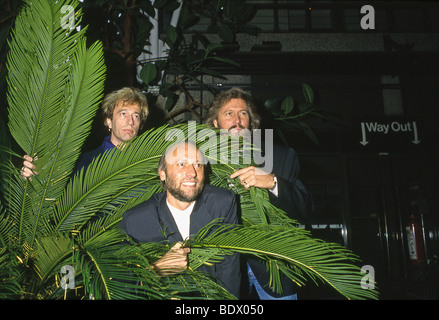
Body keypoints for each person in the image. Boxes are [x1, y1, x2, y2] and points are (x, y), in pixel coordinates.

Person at [205, 87, 313, 300]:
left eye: (243, 113)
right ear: (215, 123)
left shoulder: (281, 156)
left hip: (275, 271)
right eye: (228, 113)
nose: (237, 119)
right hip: (221, 269)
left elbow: (305, 207)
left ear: (250, 122)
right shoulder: (200, 162)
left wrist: (273, 182)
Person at [119, 141, 241, 298]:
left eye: (198, 165)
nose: (192, 173)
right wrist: (155, 271)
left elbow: (230, 269)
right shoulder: (136, 220)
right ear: (162, 173)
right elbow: (117, 283)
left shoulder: (222, 203)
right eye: (181, 164)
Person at [20, 87, 149, 179]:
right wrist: (35, 175)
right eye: (123, 114)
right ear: (109, 121)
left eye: (136, 116)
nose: (130, 122)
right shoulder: (84, 163)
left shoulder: (148, 162)